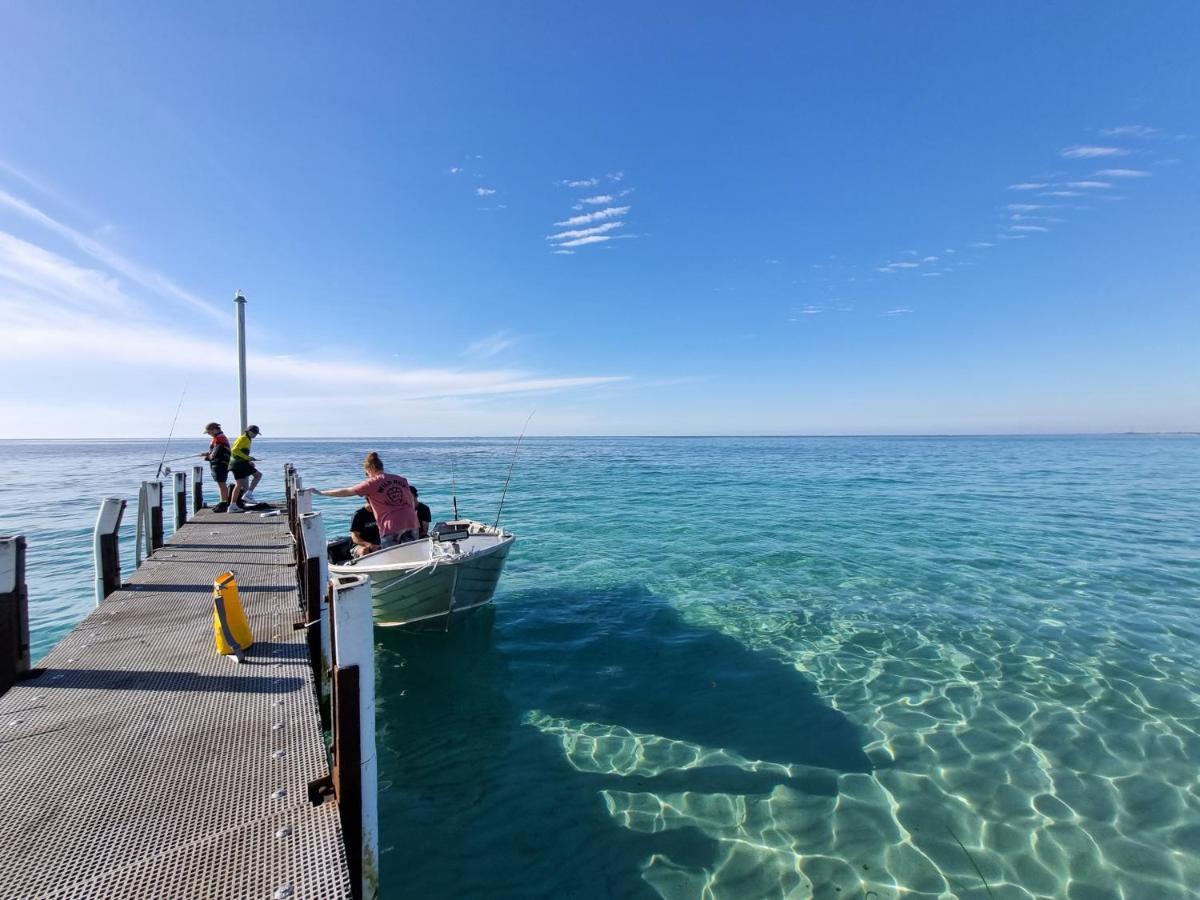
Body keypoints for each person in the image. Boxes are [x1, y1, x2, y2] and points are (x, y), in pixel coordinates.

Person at [317, 452, 419, 545]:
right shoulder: (401, 479)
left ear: (370, 469)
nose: (367, 476)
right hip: (411, 520)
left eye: (367, 474)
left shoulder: (371, 483)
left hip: (390, 525)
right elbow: (411, 500)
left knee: (392, 556)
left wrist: (321, 493)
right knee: (411, 552)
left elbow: (347, 491)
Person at [228, 425, 263, 511]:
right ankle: (248, 494)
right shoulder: (244, 439)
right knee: (258, 475)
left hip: (234, 464)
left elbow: (237, 452)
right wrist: (248, 458)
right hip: (239, 463)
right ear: (248, 431)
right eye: (254, 432)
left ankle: (232, 506)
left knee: (239, 485)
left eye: (256, 433)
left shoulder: (245, 438)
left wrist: (248, 461)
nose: (255, 435)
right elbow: (234, 450)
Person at [201, 422, 232, 511]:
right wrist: (208, 454)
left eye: (209, 432)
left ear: (214, 430)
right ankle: (223, 501)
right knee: (221, 484)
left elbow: (216, 453)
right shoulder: (219, 438)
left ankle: (224, 502)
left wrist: (208, 457)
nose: (209, 434)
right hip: (220, 463)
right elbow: (215, 451)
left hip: (220, 464)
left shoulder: (220, 439)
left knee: (221, 484)